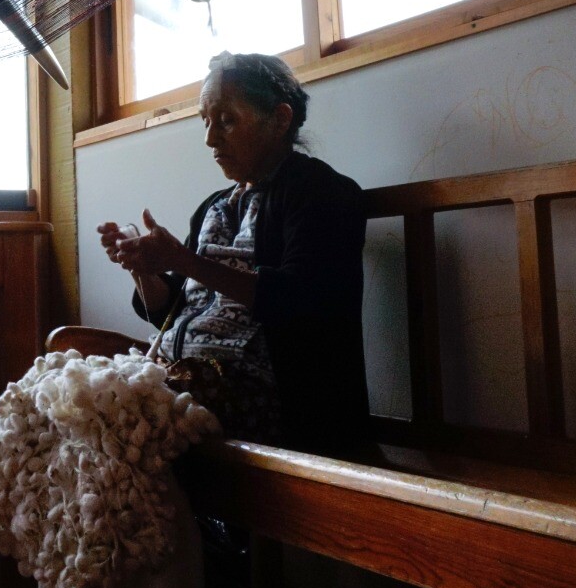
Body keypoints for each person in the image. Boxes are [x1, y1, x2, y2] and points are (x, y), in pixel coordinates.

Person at [96, 50, 371, 455]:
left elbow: (297, 300)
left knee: (118, 421)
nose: (209, 138)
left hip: (275, 399)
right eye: (205, 121)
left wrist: (181, 259)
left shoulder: (322, 192)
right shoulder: (214, 206)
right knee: (71, 403)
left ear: (279, 119)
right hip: (187, 378)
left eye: (226, 120)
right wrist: (142, 265)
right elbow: (174, 310)